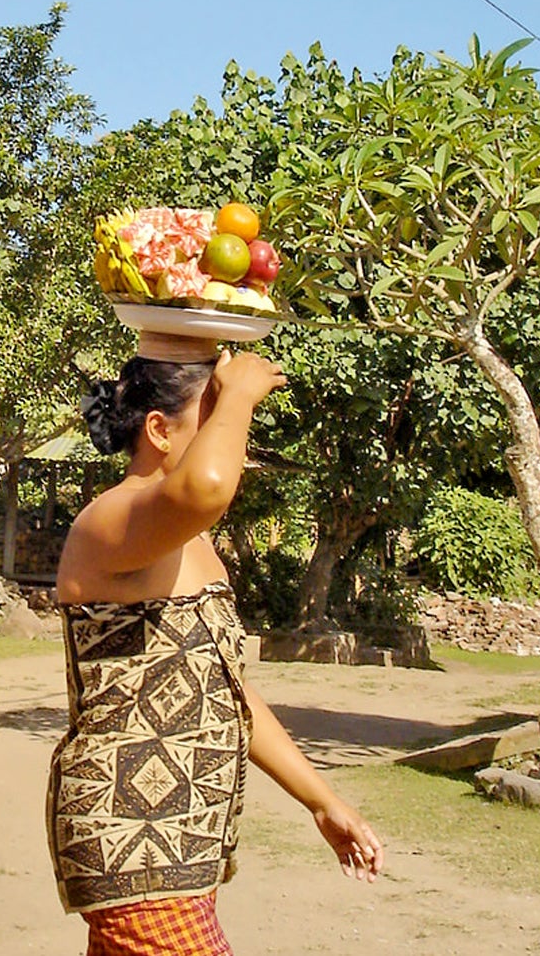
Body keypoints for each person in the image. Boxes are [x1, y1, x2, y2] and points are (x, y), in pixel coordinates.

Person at [49, 343, 383, 956]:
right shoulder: (108, 522)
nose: (231, 435)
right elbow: (207, 484)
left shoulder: (187, 542)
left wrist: (322, 802)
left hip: (180, 838)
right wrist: (242, 394)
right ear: (158, 430)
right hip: (133, 834)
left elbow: (226, 691)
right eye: (214, 417)